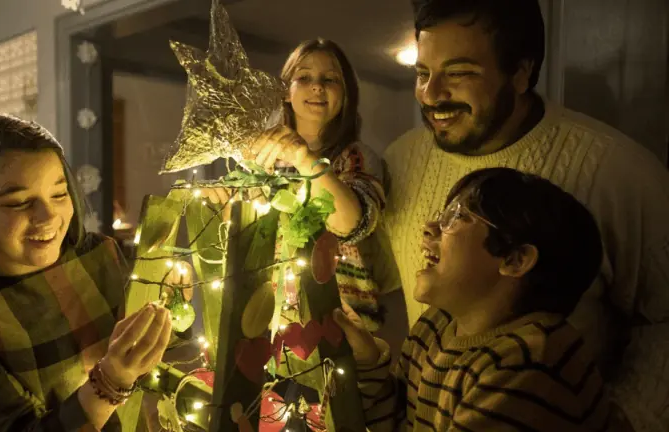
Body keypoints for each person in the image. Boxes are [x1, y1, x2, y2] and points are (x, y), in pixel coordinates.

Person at [376, 1, 669, 429]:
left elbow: (663, 319)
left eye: (459, 73)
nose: (431, 95)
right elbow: (380, 276)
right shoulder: (400, 160)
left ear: (521, 72)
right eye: (423, 74)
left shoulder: (619, 172)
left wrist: (624, 418)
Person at [0, 114, 181, 431]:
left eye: (59, 194)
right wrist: (110, 381)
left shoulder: (99, 255)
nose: (49, 216)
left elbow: (154, 349)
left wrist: (176, 302)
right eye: (19, 202)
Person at [336, 168, 616, 431]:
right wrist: (369, 359)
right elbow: (400, 423)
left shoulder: (527, 366)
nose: (429, 228)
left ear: (515, 260)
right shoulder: (437, 323)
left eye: (457, 217)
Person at [204, 38, 387, 330]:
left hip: (344, 324)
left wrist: (303, 157)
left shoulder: (355, 158)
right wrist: (219, 206)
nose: (317, 87)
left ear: (346, 94)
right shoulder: (263, 161)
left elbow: (353, 224)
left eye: (330, 79)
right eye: (304, 78)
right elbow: (244, 237)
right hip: (269, 321)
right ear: (286, 91)